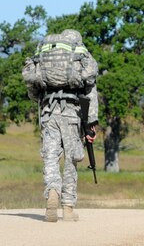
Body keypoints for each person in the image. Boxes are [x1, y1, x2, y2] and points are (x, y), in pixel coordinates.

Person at [22, 29, 99, 222]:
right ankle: (68, 207)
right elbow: (90, 92)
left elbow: (32, 90)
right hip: (72, 113)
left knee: (50, 157)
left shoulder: (44, 56)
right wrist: (91, 124)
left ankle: (52, 191)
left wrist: (44, 97)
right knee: (71, 159)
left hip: (48, 113)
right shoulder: (80, 57)